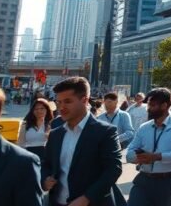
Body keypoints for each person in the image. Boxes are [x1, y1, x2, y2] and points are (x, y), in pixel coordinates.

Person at [42, 77, 124, 206]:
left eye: (67, 101)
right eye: (58, 102)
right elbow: (46, 164)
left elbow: (113, 170)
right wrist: (45, 180)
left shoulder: (105, 132)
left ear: (84, 100)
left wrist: (86, 198)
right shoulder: (55, 134)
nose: (61, 107)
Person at [126, 87, 171, 206]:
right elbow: (129, 154)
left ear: (164, 106)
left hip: (167, 183)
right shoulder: (144, 127)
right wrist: (139, 158)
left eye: (152, 105)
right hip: (143, 181)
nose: (148, 109)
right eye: (148, 105)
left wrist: (157, 157)